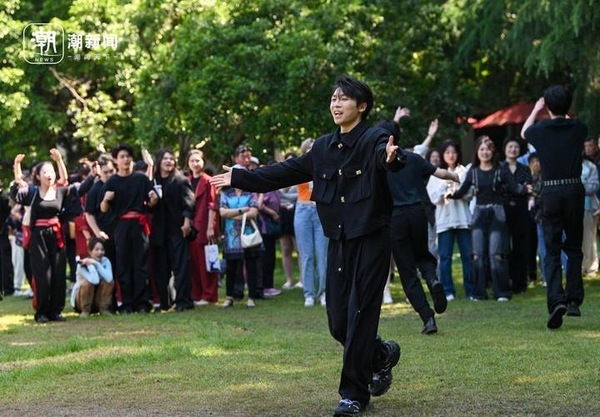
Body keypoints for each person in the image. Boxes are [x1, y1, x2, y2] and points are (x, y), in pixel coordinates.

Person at [211, 75, 403, 416]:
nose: (336, 104)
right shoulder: (323, 148)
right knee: (338, 322)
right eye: (333, 98)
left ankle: (353, 395)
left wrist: (390, 158)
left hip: (372, 238)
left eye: (344, 99)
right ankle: (380, 355)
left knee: (360, 314)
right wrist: (241, 176)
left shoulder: (374, 138)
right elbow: (283, 172)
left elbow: (383, 156)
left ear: (362, 106)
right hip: (339, 241)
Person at [379, 120, 457, 335]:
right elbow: (440, 173)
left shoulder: (380, 164)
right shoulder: (413, 158)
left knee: (407, 271)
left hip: (396, 218)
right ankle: (432, 280)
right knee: (423, 255)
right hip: (418, 213)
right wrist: (454, 176)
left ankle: (427, 318)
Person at [521, 85, 588, 329]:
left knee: (551, 250)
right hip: (574, 189)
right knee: (574, 247)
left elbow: (524, 132)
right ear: (568, 106)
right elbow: (570, 121)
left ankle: (557, 300)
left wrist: (536, 110)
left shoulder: (540, 129)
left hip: (550, 191)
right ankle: (574, 299)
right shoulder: (579, 127)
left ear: (547, 106)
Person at [450, 136, 530, 302]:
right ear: (477, 152)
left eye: (488, 149)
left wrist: (526, 189)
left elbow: (515, 188)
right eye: (481, 149)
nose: (485, 152)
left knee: (496, 254)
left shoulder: (501, 170)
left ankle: (502, 292)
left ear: (493, 151)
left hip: (497, 214)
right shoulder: (473, 171)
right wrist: (450, 193)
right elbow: (461, 192)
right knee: (477, 254)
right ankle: (479, 293)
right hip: (479, 214)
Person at [10, 149, 72, 323]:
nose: (49, 174)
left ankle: (56, 311)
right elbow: (18, 187)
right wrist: (17, 166)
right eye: (45, 172)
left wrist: (59, 160)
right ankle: (42, 312)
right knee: (43, 274)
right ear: (38, 176)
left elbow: (65, 179)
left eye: (51, 171)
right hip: (38, 237)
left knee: (59, 272)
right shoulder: (32, 193)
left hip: (56, 234)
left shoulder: (60, 191)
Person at [100, 144, 158, 314]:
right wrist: (106, 199)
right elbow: (103, 209)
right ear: (116, 161)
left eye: (128, 156)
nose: (126, 160)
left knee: (141, 263)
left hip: (139, 224)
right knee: (123, 265)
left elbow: (152, 203)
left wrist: (154, 199)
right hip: (121, 226)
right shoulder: (112, 181)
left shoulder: (141, 179)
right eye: (122, 157)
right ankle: (126, 303)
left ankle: (143, 303)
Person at [427, 140, 474, 301]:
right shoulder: (437, 173)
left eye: (453, 152)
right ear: (442, 155)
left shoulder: (463, 171)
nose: (451, 155)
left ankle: (470, 290)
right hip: (444, 221)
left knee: (467, 256)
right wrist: (445, 184)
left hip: (462, 219)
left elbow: (470, 193)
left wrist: (457, 189)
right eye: (447, 152)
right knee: (445, 257)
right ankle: (448, 291)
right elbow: (434, 198)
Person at [150, 149, 196, 312]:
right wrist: (151, 202)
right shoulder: (153, 180)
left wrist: (187, 222)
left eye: (171, 158)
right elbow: (148, 206)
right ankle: (165, 303)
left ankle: (183, 301)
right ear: (159, 161)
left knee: (181, 267)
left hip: (178, 229)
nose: (169, 161)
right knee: (161, 269)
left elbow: (189, 203)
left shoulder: (180, 180)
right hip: (159, 231)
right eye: (165, 158)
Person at [294, 138, 328, 307]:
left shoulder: (325, 166)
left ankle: (324, 292)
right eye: (310, 148)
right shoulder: (300, 167)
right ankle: (309, 293)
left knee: (323, 255)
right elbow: (284, 186)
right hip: (303, 209)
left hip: (321, 210)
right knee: (306, 255)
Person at [219, 186, 262, 308]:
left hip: (248, 235)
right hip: (231, 237)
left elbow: (253, 212)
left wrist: (231, 214)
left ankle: (251, 297)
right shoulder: (226, 194)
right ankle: (229, 297)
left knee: (251, 265)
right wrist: (242, 210)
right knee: (231, 267)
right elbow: (222, 212)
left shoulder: (250, 193)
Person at [500, 138, 534, 294]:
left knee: (521, 246)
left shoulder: (525, 168)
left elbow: (529, 188)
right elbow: (500, 188)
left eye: (516, 147)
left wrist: (518, 189)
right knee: (504, 246)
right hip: (503, 209)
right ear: (505, 149)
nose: (513, 149)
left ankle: (520, 283)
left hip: (521, 209)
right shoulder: (499, 167)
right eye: (510, 146)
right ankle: (505, 281)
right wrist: (520, 188)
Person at [187, 149, 219, 306]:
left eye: (198, 160)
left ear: (203, 162)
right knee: (193, 261)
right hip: (189, 225)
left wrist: (211, 226)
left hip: (204, 224)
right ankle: (197, 294)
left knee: (206, 260)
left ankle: (209, 294)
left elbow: (212, 204)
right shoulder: (186, 180)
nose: (195, 163)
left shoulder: (208, 181)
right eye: (192, 161)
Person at [71, 237, 114, 317]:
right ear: (90, 251)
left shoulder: (105, 261)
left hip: (96, 300)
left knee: (109, 282)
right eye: (96, 249)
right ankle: (85, 311)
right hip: (80, 301)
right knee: (87, 283)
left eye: (102, 249)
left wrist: (96, 264)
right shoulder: (82, 264)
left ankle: (103, 309)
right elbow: (94, 280)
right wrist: (90, 265)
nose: (100, 252)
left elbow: (109, 279)